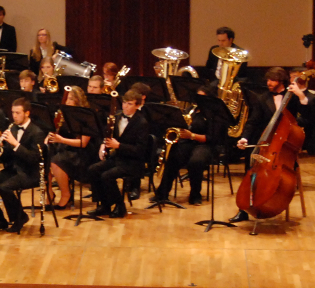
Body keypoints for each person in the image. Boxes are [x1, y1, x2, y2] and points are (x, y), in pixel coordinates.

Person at [230, 67, 312, 222]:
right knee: (251, 167)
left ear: (282, 82)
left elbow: (308, 117)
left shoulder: (293, 98)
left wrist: (301, 96)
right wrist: (244, 138)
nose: (269, 83)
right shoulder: (262, 98)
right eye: (268, 80)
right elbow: (253, 122)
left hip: (285, 147)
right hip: (266, 143)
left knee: (280, 175)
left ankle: (274, 202)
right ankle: (243, 210)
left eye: (272, 80)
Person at [150, 86, 227, 206]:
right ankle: (162, 193)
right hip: (189, 141)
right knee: (173, 156)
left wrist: (192, 136)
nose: (198, 100)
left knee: (196, 161)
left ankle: (195, 195)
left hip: (206, 144)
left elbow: (213, 138)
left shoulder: (215, 114)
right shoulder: (192, 110)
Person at [0, 97, 44, 234]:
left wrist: (16, 144)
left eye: (18, 113)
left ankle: (19, 218)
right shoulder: (12, 128)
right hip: (13, 170)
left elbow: (33, 159)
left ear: (27, 113)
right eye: (13, 113)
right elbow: (8, 156)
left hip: (30, 172)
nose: (14, 116)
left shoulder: (37, 132)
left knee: (4, 188)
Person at [85, 90, 148, 218]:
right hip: (117, 158)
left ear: (137, 105)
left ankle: (120, 206)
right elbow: (108, 135)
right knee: (93, 170)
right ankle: (104, 205)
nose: (125, 106)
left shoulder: (142, 123)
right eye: (124, 103)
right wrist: (104, 144)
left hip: (133, 162)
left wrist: (118, 146)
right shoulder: (117, 116)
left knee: (107, 176)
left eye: (129, 104)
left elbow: (140, 150)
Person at [44, 86, 98, 209]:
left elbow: (83, 143)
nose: (66, 102)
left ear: (77, 101)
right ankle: (49, 192)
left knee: (56, 161)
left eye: (70, 99)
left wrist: (60, 140)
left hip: (82, 153)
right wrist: (50, 136)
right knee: (44, 156)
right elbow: (57, 131)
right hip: (66, 148)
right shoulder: (64, 114)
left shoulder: (87, 117)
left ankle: (65, 194)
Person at [289, 67, 315, 154]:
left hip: (305, 130)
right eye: (291, 77)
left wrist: (293, 123)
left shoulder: (312, 98)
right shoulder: (289, 95)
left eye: (295, 76)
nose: (293, 79)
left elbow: (309, 118)